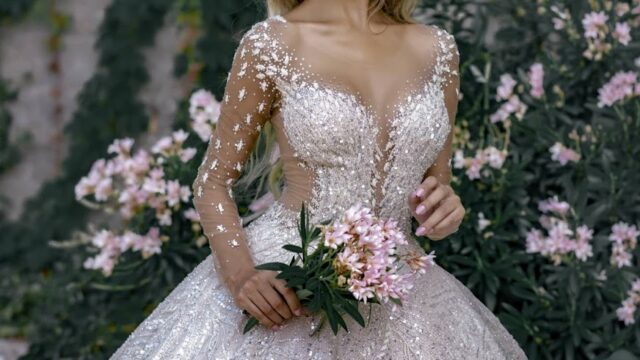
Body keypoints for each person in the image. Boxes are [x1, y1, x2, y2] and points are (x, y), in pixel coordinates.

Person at [111, 0, 528, 358]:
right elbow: (212, 181)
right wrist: (241, 275)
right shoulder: (273, 43)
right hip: (287, 282)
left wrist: (446, 210)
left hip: (400, 287)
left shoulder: (437, 49)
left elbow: (437, 189)